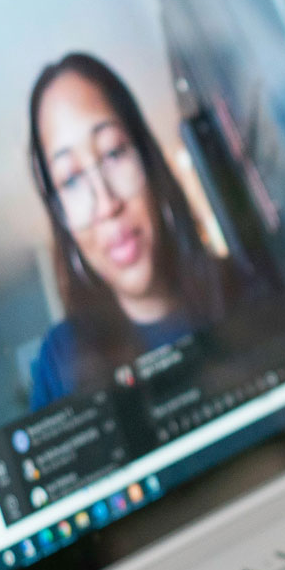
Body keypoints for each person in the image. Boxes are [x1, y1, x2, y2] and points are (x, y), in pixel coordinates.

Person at [25, 50, 242, 402]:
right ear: (61, 218)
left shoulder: (247, 284)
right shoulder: (60, 361)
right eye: (71, 179)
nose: (107, 204)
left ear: (149, 160)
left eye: (113, 153)